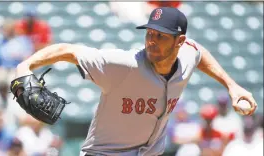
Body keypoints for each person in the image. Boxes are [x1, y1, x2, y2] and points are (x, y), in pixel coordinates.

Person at [13, 7, 257, 156]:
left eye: (160, 36)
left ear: (179, 42)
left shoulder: (187, 53)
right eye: (149, 33)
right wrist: (25, 66)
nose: (151, 40)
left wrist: (231, 85)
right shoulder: (124, 65)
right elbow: (68, 50)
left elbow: (198, 52)